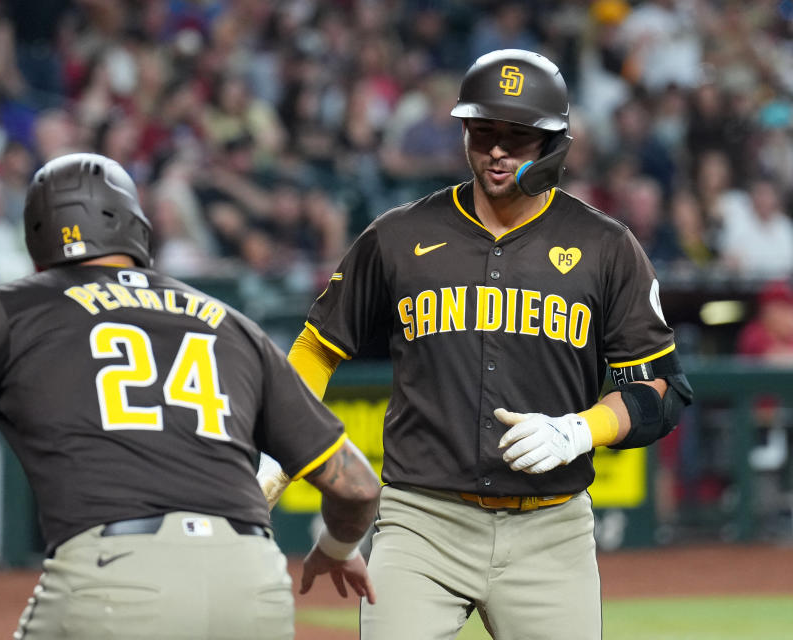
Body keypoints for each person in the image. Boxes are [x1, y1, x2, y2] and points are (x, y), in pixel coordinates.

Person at [0, 153, 381, 639]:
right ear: (136, 228)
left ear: (37, 241)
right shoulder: (232, 323)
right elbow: (357, 487)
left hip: (114, 583)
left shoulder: (13, 308)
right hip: (254, 585)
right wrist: (335, 550)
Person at [276, 49, 693, 640]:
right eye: (483, 131)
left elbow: (662, 390)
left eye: (518, 135)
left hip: (550, 529)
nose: (497, 149)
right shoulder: (399, 235)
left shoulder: (605, 246)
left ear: (554, 143)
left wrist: (580, 430)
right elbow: (317, 349)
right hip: (422, 521)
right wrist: (282, 446)